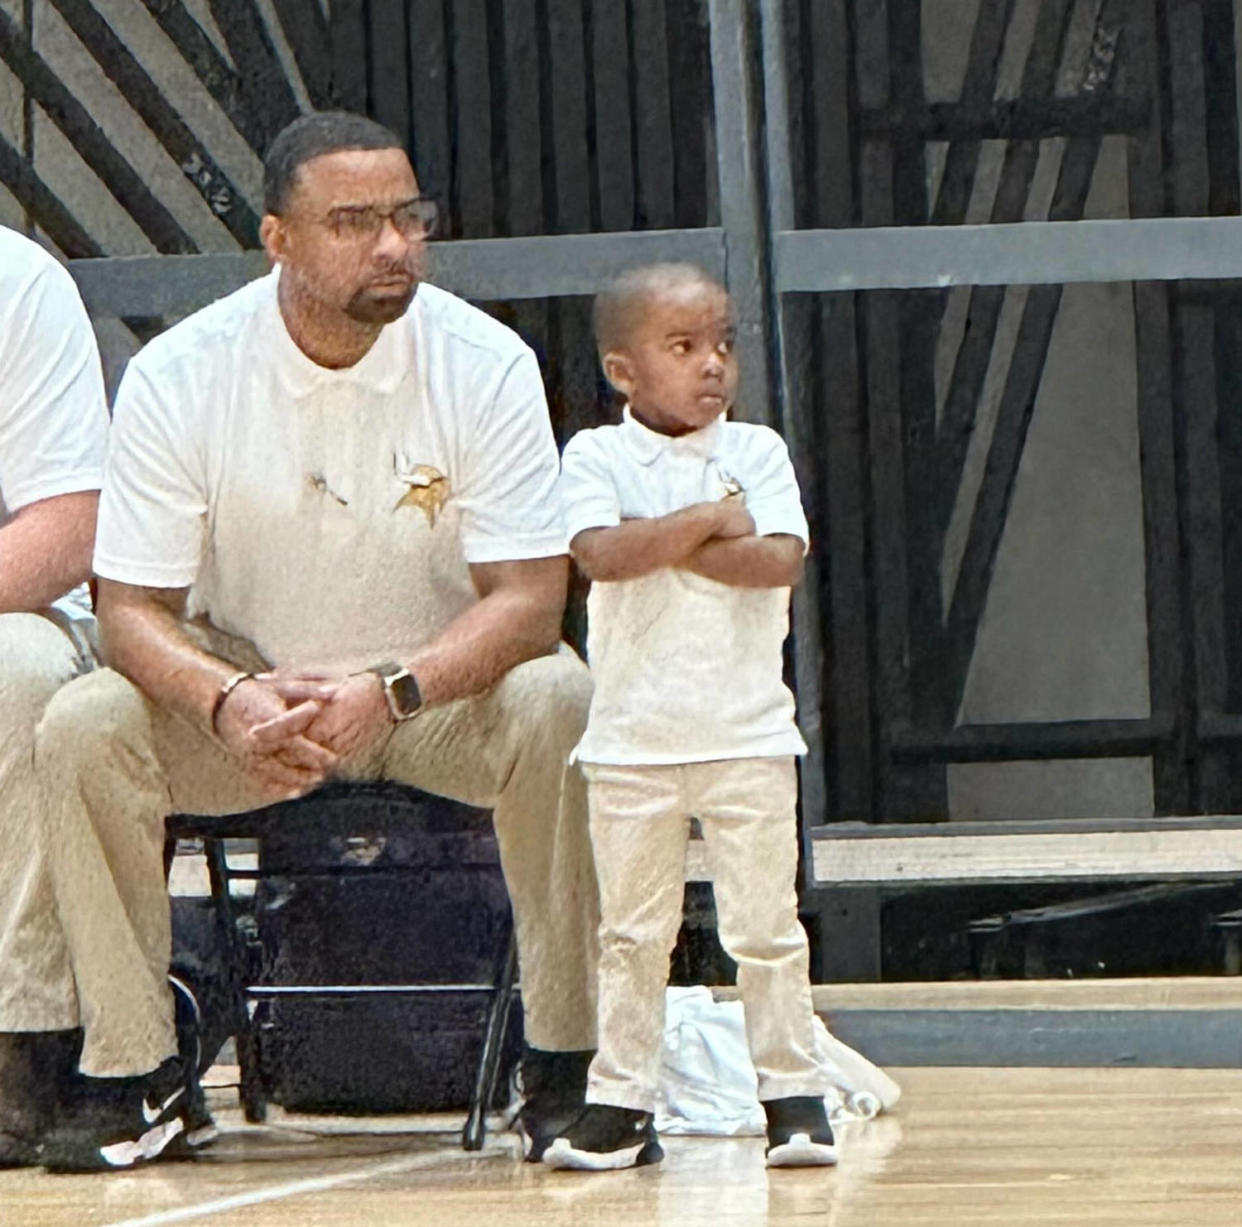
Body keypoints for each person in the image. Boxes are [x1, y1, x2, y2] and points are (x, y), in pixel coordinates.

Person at [32, 111, 598, 1171]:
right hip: (257, 706)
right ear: (277, 239)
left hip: (435, 695)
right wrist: (223, 699)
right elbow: (128, 609)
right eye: (354, 222)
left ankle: (565, 1057)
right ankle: (137, 1065)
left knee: (559, 700)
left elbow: (531, 598)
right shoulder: (184, 374)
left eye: (407, 217)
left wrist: (392, 689)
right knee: (83, 721)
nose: (393, 246)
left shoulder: (487, 361)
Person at [544, 263, 837, 1171]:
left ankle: (793, 1095)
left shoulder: (758, 449)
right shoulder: (595, 456)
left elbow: (778, 559)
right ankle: (621, 1104)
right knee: (631, 935)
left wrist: (662, 537)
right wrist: (712, 517)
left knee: (767, 929)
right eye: (684, 347)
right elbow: (600, 553)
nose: (713, 364)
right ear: (623, 370)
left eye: (724, 343)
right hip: (632, 742)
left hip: (748, 733)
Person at [0, 226, 110, 1168]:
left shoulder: (17, 283)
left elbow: (65, 531)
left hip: (9, 604)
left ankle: (16, 1043)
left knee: (12, 672)